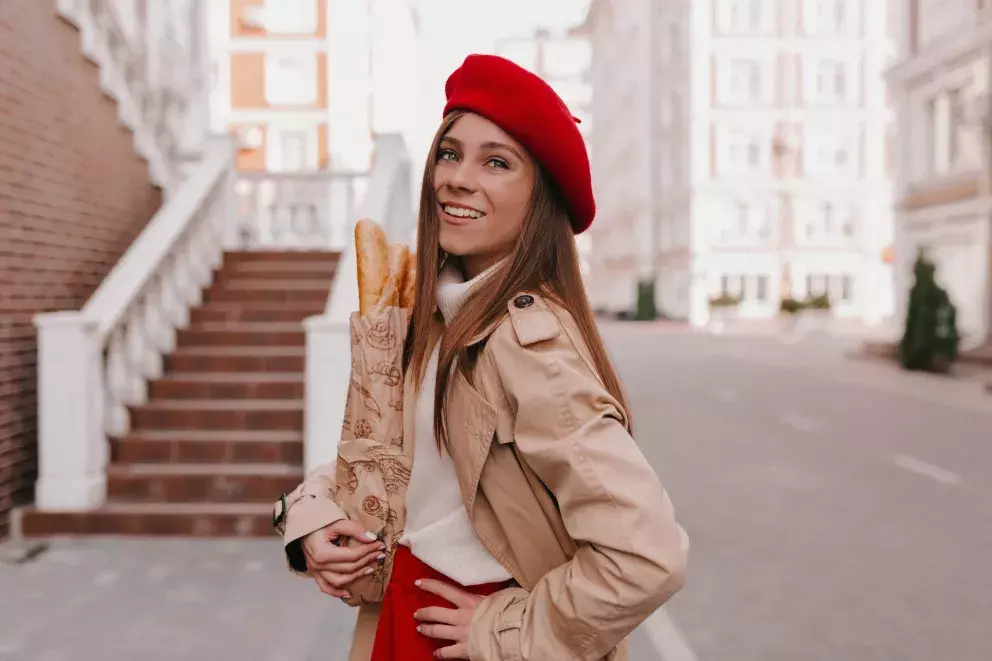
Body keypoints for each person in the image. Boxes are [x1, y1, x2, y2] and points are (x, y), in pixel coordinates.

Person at [272, 53, 688, 661]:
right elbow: (401, 471)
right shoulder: (431, 319)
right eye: (449, 152)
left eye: (497, 161)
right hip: (403, 618)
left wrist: (506, 630)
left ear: (539, 198)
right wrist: (307, 519)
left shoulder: (525, 344)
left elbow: (646, 555)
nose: (457, 178)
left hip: (468, 639)